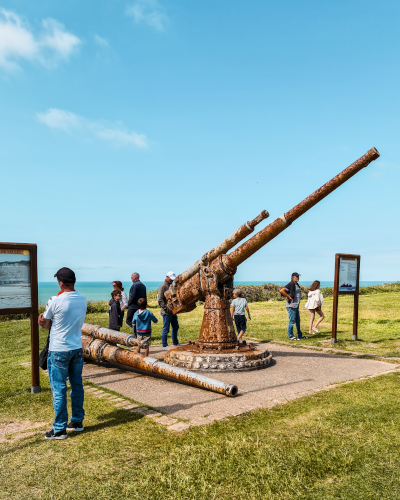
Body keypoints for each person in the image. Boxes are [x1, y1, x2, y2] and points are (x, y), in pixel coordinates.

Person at [38, 267, 87, 440]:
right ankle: (77, 421)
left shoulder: (56, 301)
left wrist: (40, 320)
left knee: (58, 388)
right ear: (73, 281)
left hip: (58, 349)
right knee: (77, 385)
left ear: (60, 282)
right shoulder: (82, 298)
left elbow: (45, 324)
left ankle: (59, 429)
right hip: (76, 348)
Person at [280, 272, 308, 341]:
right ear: (292, 277)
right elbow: (282, 291)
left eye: (298, 276)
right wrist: (289, 297)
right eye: (296, 276)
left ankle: (300, 335)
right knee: (292, 321)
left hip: (296, 305)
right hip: (291, 305)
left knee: (298, 321)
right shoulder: (291, 284)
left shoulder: (296, 284)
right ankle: (291, 336)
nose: (298, 277)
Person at [157, 271, 180, 350]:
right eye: (171, 279)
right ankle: (164, 345)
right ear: (167, 277)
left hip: (173, 311)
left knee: (175, 327)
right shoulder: (163, 286)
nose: (172, 280)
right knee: (166, 329)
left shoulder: (171, 285)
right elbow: (160, 300)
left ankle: (175, 343)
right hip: (166, 312)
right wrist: (166, 309)